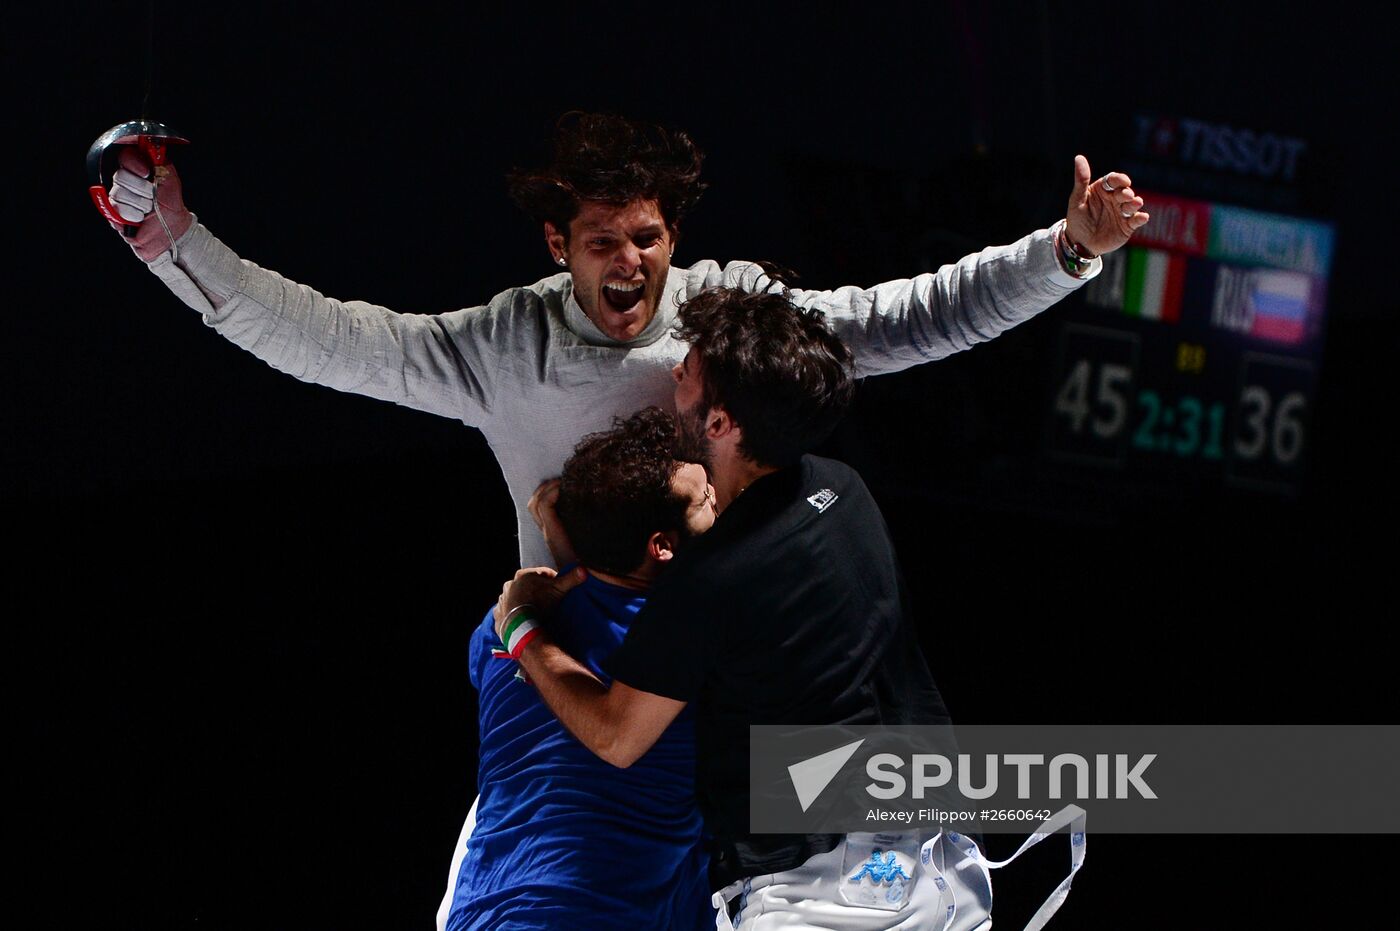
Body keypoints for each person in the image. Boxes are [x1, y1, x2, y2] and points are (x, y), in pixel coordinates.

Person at [100, 112, 1149, 570]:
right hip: (570, 681)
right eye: (601, 240)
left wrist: (1062, 252)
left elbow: (906, 318)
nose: (629, 263)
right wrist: (167, 242)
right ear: (561, 244)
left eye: (646, 237)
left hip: (718, 671)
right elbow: (318, 338)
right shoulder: (502, 344)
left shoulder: (728, 312)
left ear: (672, 234)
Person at [494, 287, 969, 929]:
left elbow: (616, 736)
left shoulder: (708, 580)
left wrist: (522, 627)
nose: (673, 375)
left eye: (687, 372)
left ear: (721, 424)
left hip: (820, 901)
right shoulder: (843, 488)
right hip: (946, 867)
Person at [445, 407, 719, 930]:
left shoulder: (498, 624)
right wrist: (922, 787)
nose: (720, 502)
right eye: (707, 500)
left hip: (490, 910)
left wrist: (575, 571)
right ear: (660, 546)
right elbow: (785, 779)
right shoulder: (687, 639)